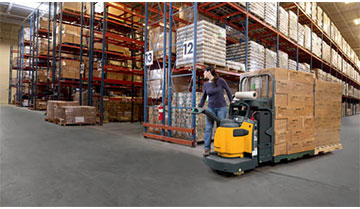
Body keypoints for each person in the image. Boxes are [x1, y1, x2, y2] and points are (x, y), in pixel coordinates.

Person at [198, 66, 233, 156]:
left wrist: (232, 101)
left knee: (220, 128)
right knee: (208, 128)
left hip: (221, 108)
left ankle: (220, 148)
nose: (203, 74)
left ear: (209, 72)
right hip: (211, 108)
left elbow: (228, 91)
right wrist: (199, 107)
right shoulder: (206, 84)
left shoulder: (220, 81)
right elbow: (204, 97)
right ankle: (207, 149)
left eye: (204, 72)